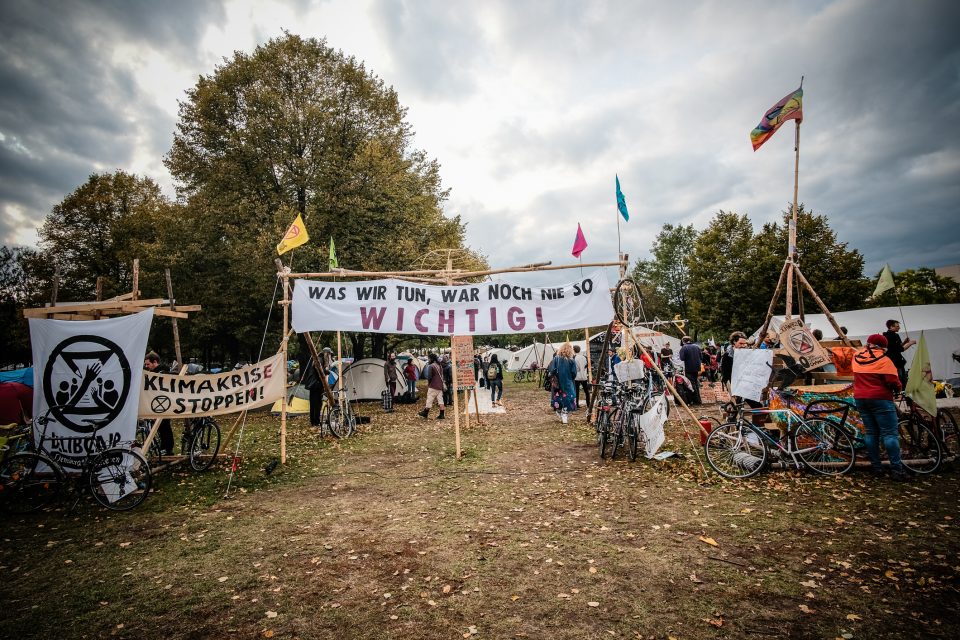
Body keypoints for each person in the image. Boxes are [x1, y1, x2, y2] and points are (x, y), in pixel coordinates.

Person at [853, 334, 907, 480]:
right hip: (880, 398)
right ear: (883, 346)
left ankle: (876, 467)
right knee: (889, 434)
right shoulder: (884, 360)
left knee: (871, 433)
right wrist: (898, 388)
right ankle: (897, 470)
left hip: (860, 398)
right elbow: (893, 381)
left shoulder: (857, 356)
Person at [143, 352, 174, 454]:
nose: (147, 367)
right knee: (161, 428)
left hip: (164, 403)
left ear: (155, 362)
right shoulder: (152, 372)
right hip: (157, 403)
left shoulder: (163, 371)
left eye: (148, 364)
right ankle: (164, 447)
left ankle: (168, 448)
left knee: (164, 426)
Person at [548, 342, 578, 423]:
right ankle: (564, 413)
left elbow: (551, 370)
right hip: (568, 382)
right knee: (569, 397)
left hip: (557, 382)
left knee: (558, 397)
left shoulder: (556, 359)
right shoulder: (571, 361)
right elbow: (574, 373)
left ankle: (558, 410)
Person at [882, 319, 916, 386]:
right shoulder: (891, 336)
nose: (899, 328)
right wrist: (910, 343)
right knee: (900, 379)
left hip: (894, 361)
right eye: (897, 326)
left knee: (901, 378)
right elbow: (901, 349)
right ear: (891, 327)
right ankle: (901, 392)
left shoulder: (891, 335)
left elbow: (896, 347)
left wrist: (904, 342)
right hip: (895, 362)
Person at [418, 353, 445, 420]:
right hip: (440, 386)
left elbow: (429, 377)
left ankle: (425, 413)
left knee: (429, 399)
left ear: (431, 359)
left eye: (429, 358)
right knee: (440, 400)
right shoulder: (440, 365)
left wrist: (429, 384)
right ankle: (442, 415)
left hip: (433, 385)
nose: (428, 359)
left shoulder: (431, 366)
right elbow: (442, 375)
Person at [677, 336, 702, 404]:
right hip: (697, 368)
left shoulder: (684, 347)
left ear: (683, 341)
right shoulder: (697, 346)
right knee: (696, 383)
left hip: (689, 367)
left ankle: (696, 400)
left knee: (691, 384)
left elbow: (682, 358)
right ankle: (698, 399)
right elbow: (701, 357)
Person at [573, 345, 590, 410]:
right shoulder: (584, 357)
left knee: (576, 391)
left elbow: (575, 368)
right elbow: (590, 362)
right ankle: (588, 404)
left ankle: (576, 405)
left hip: (577, 376)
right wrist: (585, 367)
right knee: (586, 391)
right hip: (584, 376)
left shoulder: (574, 357)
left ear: (574, 350)